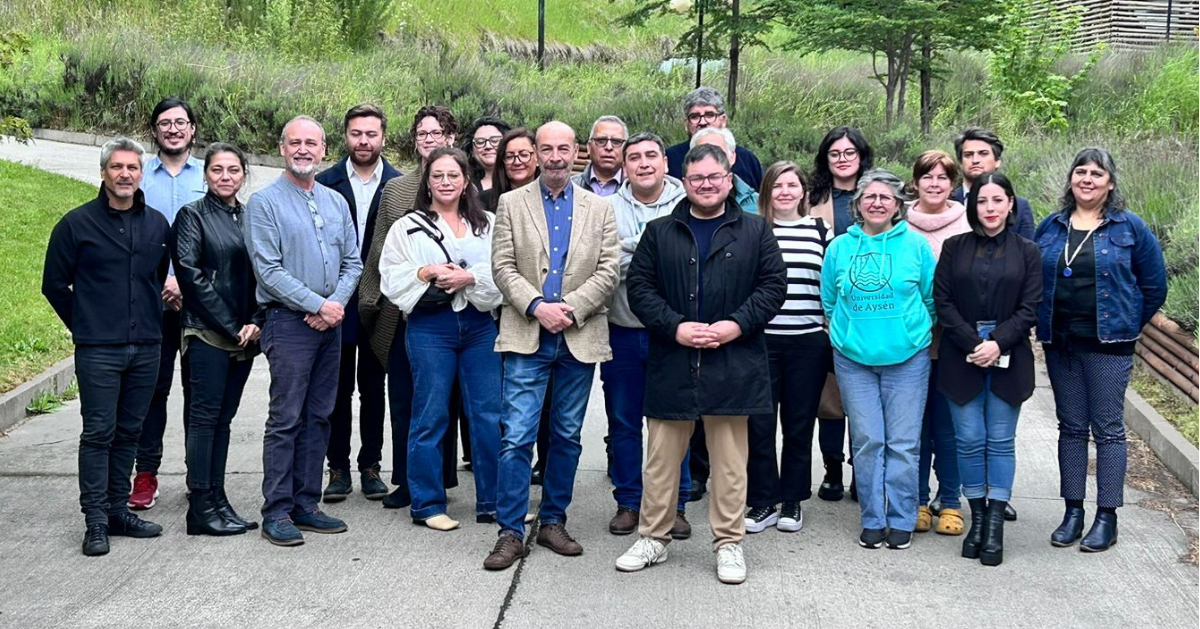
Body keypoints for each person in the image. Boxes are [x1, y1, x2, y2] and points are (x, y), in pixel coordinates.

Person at [616, 143, 785, 585]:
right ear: (684, 182)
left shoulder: (756, 230)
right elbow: (640, 289)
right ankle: (653, 537)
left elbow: (772, 287)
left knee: (730, 465)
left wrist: (735, 325)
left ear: (729, 180)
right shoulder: (660, 232)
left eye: (714, 177)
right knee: (661, 461)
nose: (706, 185)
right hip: (673, 359)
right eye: (697, 178)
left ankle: (728, 543)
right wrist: (674, 327)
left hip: (734, 361)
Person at [483, 121, 619, 571]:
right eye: (547, 149)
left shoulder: (600, 208)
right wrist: (538, 306)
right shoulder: (511, 203)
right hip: (527, 335)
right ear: (536, 153)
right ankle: (509, 531)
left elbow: (609, 270)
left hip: (579, 337)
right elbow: (502, 266)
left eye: (564, 148)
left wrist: (571, 309)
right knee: (516, 436)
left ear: (577, 151)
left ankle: (553, 522)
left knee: (565, 436)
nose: (556, 157)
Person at [42, 137, 170, 556]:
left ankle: (118, 511)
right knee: (99, 433)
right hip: (99, 350)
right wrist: (86, 325)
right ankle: (95, 520)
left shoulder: (157, 225)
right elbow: (54, 285)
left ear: (141, 173)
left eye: (132, 167)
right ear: (103, 172)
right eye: (117, 167)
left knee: (130, 432)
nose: (124, 174)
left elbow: (155, 280)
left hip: (146, 346)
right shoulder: (75, 225)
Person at [1038, 148, 1167, 553]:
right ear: (1071, 179)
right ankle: (1073, 512)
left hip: (1109, 345)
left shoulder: (1130, 228)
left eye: (1097, 173)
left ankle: (1107, 517)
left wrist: (1125, 325)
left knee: (1108, 429)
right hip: (1061, 342)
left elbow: (1155, 286)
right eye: (1081, 171)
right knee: (1071, 428)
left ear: (1110, 183)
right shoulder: (1051, 226)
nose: (1087, 179)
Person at [245, 116, 363, 546]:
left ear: (324, 149)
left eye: (311, 143)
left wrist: (333, 307)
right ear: (281, 148)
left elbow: (353, 262)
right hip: (288, 324)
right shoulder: (264, 204)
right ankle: (276, 511)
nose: (303, 150)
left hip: (330, 325)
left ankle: (306, 504)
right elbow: (269, 271)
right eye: (295, 142)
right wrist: (318, 305)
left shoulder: (336, 201)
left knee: (319, 415)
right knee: (286, 418)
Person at [379, 147, 503, 531]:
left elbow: (505, 271)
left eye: (453, 175)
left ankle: (495, 502)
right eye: (438, 176)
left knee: (489, 415)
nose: (446, 182)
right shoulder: (407, 226)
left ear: (466, 181)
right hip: (431, 326)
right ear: (427, 182)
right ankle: (428, 504)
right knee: (430, 414)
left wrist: (470, 278)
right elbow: (389, 275)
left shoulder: (488, 224)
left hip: (480, 325)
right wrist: (424, 272)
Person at [821, 169, 936, 551]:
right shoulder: (839, 247)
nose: (877, 203)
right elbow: (829, 300)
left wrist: (910, 334)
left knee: (903, 443)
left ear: (898, 205)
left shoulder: (916, 246)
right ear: (857, 204)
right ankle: (873, 518)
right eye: (869, 197)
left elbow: (930, 299)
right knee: (868, 440)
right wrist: (846, 335)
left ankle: (901, 518)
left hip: (908, 360)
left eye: (885, 197)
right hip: (854, 361)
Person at [935, 170, 1041, 566]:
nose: (990, 208)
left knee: (999, 440)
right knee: (968, 439)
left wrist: (997, 342)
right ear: (972, 205)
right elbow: (942, 301)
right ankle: (977, 518)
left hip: (1009, 355)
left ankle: (995, 523)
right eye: (982, 201)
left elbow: (1030, 307)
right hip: (961, 354)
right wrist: (973, 343)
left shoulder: (1027, 251)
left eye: (998, 200)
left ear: (1011, 204)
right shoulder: (954, 247)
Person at [360, 105, 461, 510]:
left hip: (453, 314)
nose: (428, 140)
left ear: (451, 139)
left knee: (443, 402)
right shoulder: (396, 191)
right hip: (403, 312)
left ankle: (439, 478)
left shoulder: (463, 185)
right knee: (403, 399)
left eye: (436, 133)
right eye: (422, 134)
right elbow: (379, 252)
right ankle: (405, 479)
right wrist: (374, 303)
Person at [602, 131, 692, 539]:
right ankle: (629, 502)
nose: (643, 163)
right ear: (624, 167)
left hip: (673, 333)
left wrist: (631, 249)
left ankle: (676, 505)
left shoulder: (686, 203)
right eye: (634, 157)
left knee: (674, 421)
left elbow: (685, 265)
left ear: (665, 162)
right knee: (623, 422)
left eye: (651, 155)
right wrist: (654, 252)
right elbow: (604, 265)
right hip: (622, 330)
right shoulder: (606, 208)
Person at [172, 142, 263, 536]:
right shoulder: (192, 215)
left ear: (244, 174)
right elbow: (190, 276)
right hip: (207, 333)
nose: (225, 177)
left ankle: (218, 498)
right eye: (217, 170)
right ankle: (199, 506)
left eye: (233, 170)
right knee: (204, 420)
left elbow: (265, 272)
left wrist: (256, 321)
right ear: (205, 174)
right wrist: (231, 325)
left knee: (223, 421)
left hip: (244, 336)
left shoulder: (251, 216)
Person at [315, 104, 402, 503]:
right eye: (356, 133)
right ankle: (337, 468)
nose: (363, 141)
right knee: (336, 389)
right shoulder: (325, 182)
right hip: (336, 299)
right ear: (345, 136)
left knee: (373, 387)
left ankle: (370, 465)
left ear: (383, 137)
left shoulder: (399, 184)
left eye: (371, 134)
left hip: (382, 300)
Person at [743, 161, 832, 534]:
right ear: (767, 192)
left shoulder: (821, 231)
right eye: (777, 186)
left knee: (799, 424)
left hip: (808, 341)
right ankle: (763, 500)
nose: (784, 192)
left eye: (792, 185)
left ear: (803, 192)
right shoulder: (754, 231)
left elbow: (833, 284)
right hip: (762, 340)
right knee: (759, 424)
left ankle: (793, 499)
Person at [129, 97, 207, 510]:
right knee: (150, 390)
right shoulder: (140, 176)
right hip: (151, 302)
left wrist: (188, 283)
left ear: (193, 129)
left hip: (200, 304)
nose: (173, 129)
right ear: (154, 130)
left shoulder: (209, 175)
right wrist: (165, 281)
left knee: (199, 391)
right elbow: (128, 236)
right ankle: (145, 474)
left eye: (180, 122)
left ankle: (199, 474)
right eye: (164, 123)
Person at [806, 125, 875, 505]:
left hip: (872, 312)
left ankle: (862, 471)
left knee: (864, 400)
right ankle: (832, 469)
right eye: (835, 153)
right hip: (824, 311)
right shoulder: (811, 197)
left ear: (862, 156)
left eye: (850, 152)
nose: (843, 159)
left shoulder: (878, 194)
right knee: (830, 400)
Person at [905, 150, 970, 537]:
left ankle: (950, 501)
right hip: (909, 342)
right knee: (915, 426)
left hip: (953, 342)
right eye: (927, 176)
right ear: (915, 183)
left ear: (953, 183)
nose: (934, 183)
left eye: (942, 177)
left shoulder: (967, 222)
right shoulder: (900, 224)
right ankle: (915, 499)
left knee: (948, 425)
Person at [665, 87, 763, 189]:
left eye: (710, 115)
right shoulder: (671, 159)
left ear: (723, 120)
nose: (703, 122)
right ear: (686, 124)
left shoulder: (747, 160)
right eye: (695, 116)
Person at [951, 127, 1035, 241]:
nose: (975, 160)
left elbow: (1027, 249)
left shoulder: (1020, 206)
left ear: (997, 161)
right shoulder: (948, 202)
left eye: (983, 153)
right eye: (968, 154)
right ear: (960, 162)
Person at [691, 128, 758, 214]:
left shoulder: (758, 204)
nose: (710, 159)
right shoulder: (680, 206)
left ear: (732, 157)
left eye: (718, 153)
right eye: (702, 154)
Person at [480, 128, 539, 213]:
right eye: (509, 157)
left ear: (537, 158)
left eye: (524, 155)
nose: (517, 162)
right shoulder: (483, 202)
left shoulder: (548, 198)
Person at [572, 115, 627, 197]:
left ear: (626, 149)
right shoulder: (571, 187)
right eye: (601, 141)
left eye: (616, 142)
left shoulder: (635, 190)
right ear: (589, 147)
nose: (609, 147)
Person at [460, 116, 512, 193]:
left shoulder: (519, 180)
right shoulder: (463, 186)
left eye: (495, 140)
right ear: (471, 151)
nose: (488, 146)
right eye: (480, 142)